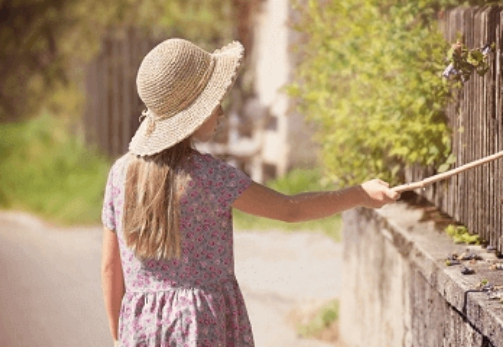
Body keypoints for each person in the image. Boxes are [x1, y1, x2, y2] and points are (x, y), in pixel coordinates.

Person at [101, 38, 400, 347]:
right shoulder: (210, 177)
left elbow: (111, 267)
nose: (220, 109)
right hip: (203, 325)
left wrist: (118, 334)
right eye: (213, 101)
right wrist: (360, 194)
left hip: (141, 328)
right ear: (193, 114)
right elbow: (290, 209)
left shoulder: (120, 175)